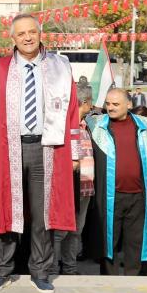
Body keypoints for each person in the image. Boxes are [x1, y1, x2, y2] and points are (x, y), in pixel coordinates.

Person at [0, 14, 82, 293]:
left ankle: (41, 271)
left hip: (48, 148)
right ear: (12, 39)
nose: (27, 37)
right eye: (21, 33)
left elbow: (72, 111)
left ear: (40, 34)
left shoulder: (60, 67)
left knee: (42, 214)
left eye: (32, 32)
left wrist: (73, 152)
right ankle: (1, 270)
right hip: (9, 148)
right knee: (6, 209)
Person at [86, 88, 147, 276]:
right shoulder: (97, 126)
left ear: (129, 104)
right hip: (110, 196)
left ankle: (133, 280)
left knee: (137, 243)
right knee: (109, 242)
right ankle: (109, 282)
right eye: (108, 104)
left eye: (115, 104)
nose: (110, 108)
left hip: (139, 195)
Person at [53, 87, 96, 276]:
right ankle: (52, 266)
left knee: (77, 230)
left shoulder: (86, 126)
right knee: (60, 230)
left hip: (85, 188)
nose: (93, 105)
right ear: (85, 103)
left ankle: (70, 267)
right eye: (91, 101)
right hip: (67, 187)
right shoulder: (64, 127)